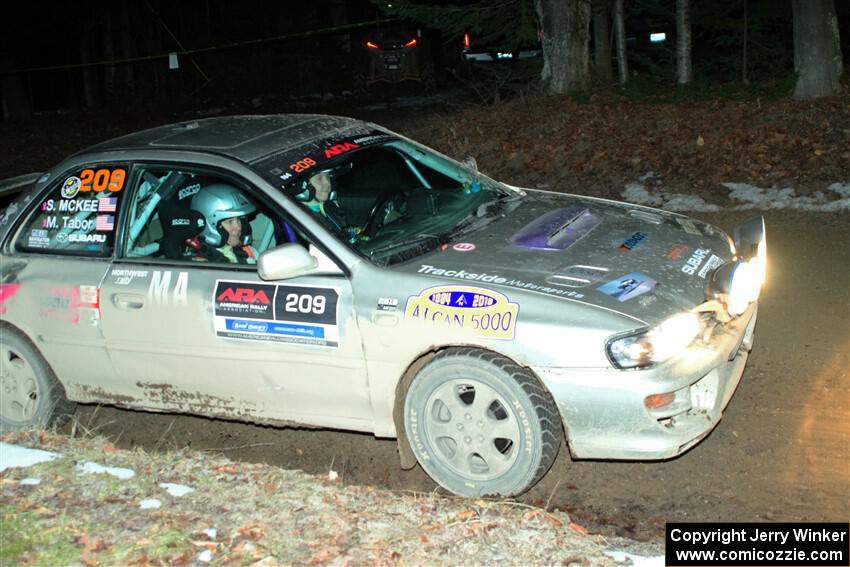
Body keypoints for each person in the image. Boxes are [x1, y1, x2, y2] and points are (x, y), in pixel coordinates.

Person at [190, 183, 259, 264]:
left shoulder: (249, 251)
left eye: (240, 219)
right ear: (210, 225)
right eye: (230, 221)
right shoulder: (201, 263)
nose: (239, 227)